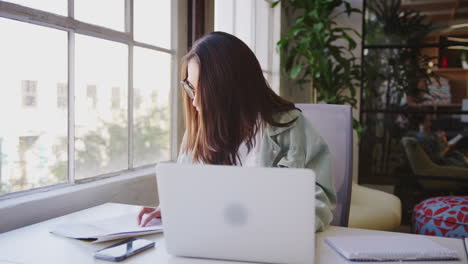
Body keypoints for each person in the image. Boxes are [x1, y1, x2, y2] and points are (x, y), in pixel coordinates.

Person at [137, 32, 336, 232]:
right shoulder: (197, 133)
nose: (195, 101)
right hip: (208, 240)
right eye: (191, 88)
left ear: (230, 91)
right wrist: (170, 207)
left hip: (269, 243)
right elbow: (186, 190)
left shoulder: (291, 128)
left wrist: (277, 226)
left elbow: (319, 202)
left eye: (202, 92)